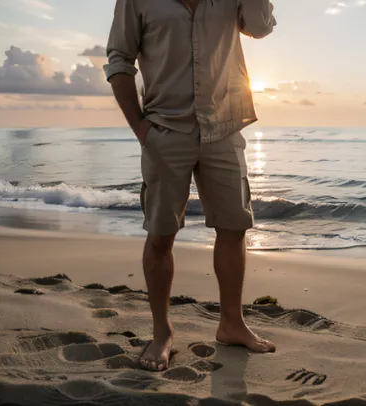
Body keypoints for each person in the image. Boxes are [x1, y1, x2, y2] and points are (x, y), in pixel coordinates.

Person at [104, 0, 277, 372]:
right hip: (165, 129)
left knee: (234, 227)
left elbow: (261, 27)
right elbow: (119, 58)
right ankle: (161, 332)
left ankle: (232, 323)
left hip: (225, 126)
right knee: (162, 233)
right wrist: (140, 127)